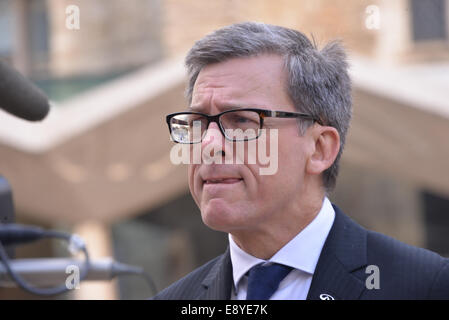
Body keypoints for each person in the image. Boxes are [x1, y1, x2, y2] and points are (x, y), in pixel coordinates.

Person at [154, 22, 449, 300]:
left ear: (320, 148)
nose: (208, 143)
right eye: (198, 122)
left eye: (241, 121)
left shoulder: (423, 285)